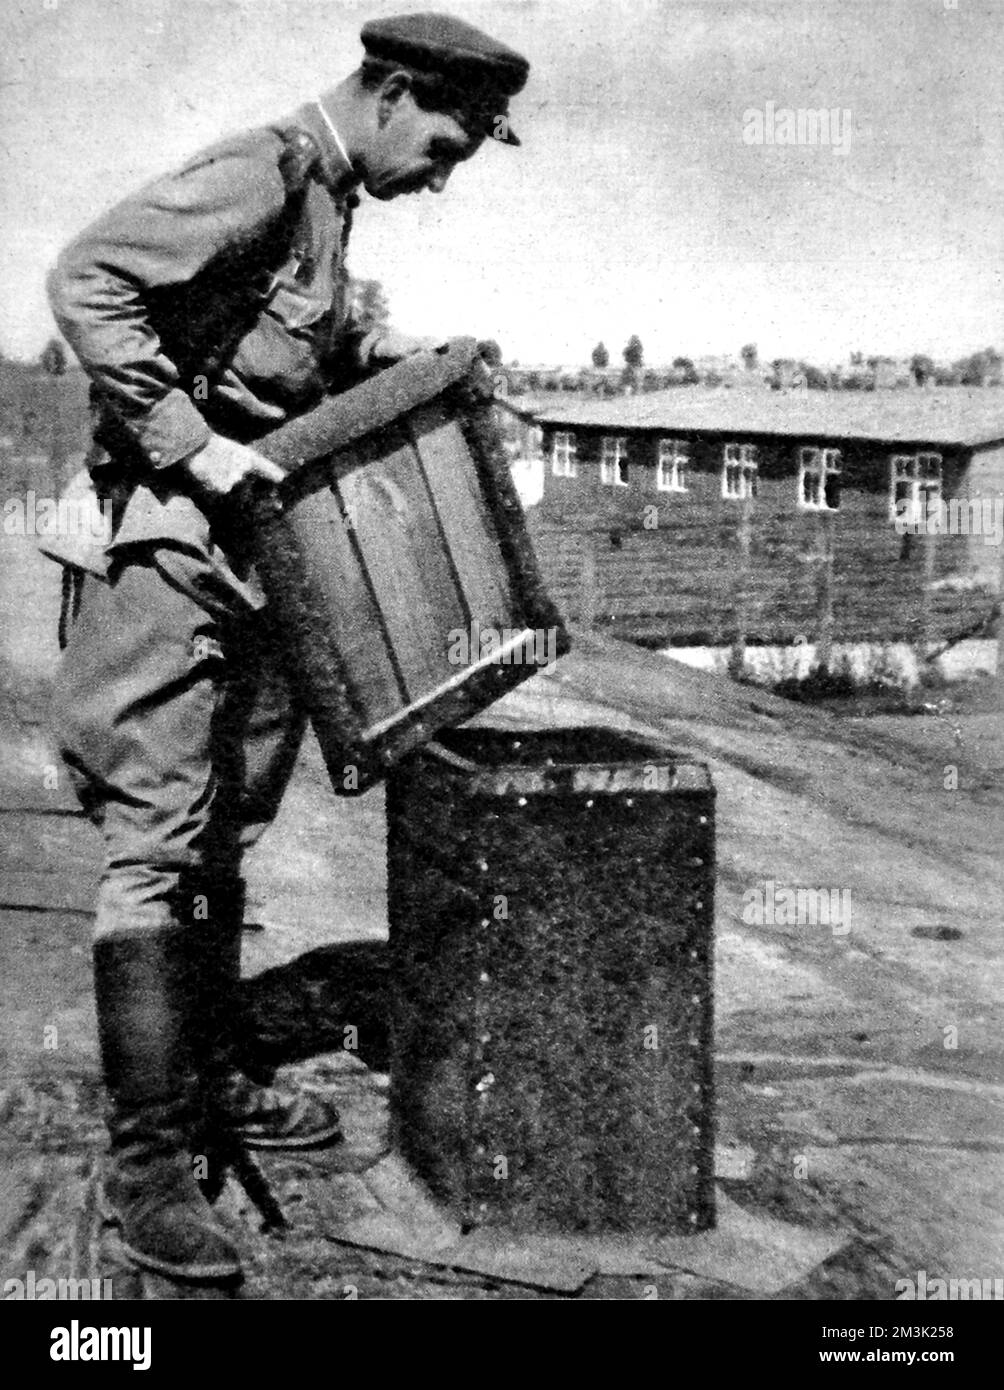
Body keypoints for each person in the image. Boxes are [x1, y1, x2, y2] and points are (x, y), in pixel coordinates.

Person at [44, 12, 529, 1283]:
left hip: (252, 571)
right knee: (156, 848)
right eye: (445, 140)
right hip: (167, 566)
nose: (443, 172)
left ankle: (204, 1075)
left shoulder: (326, 203)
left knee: (220, 835)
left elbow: (283, 357)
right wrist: (187, 443)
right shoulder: (259, 171)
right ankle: (146, 1163)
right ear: (391, 89)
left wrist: (398, 358)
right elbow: (87, 278)